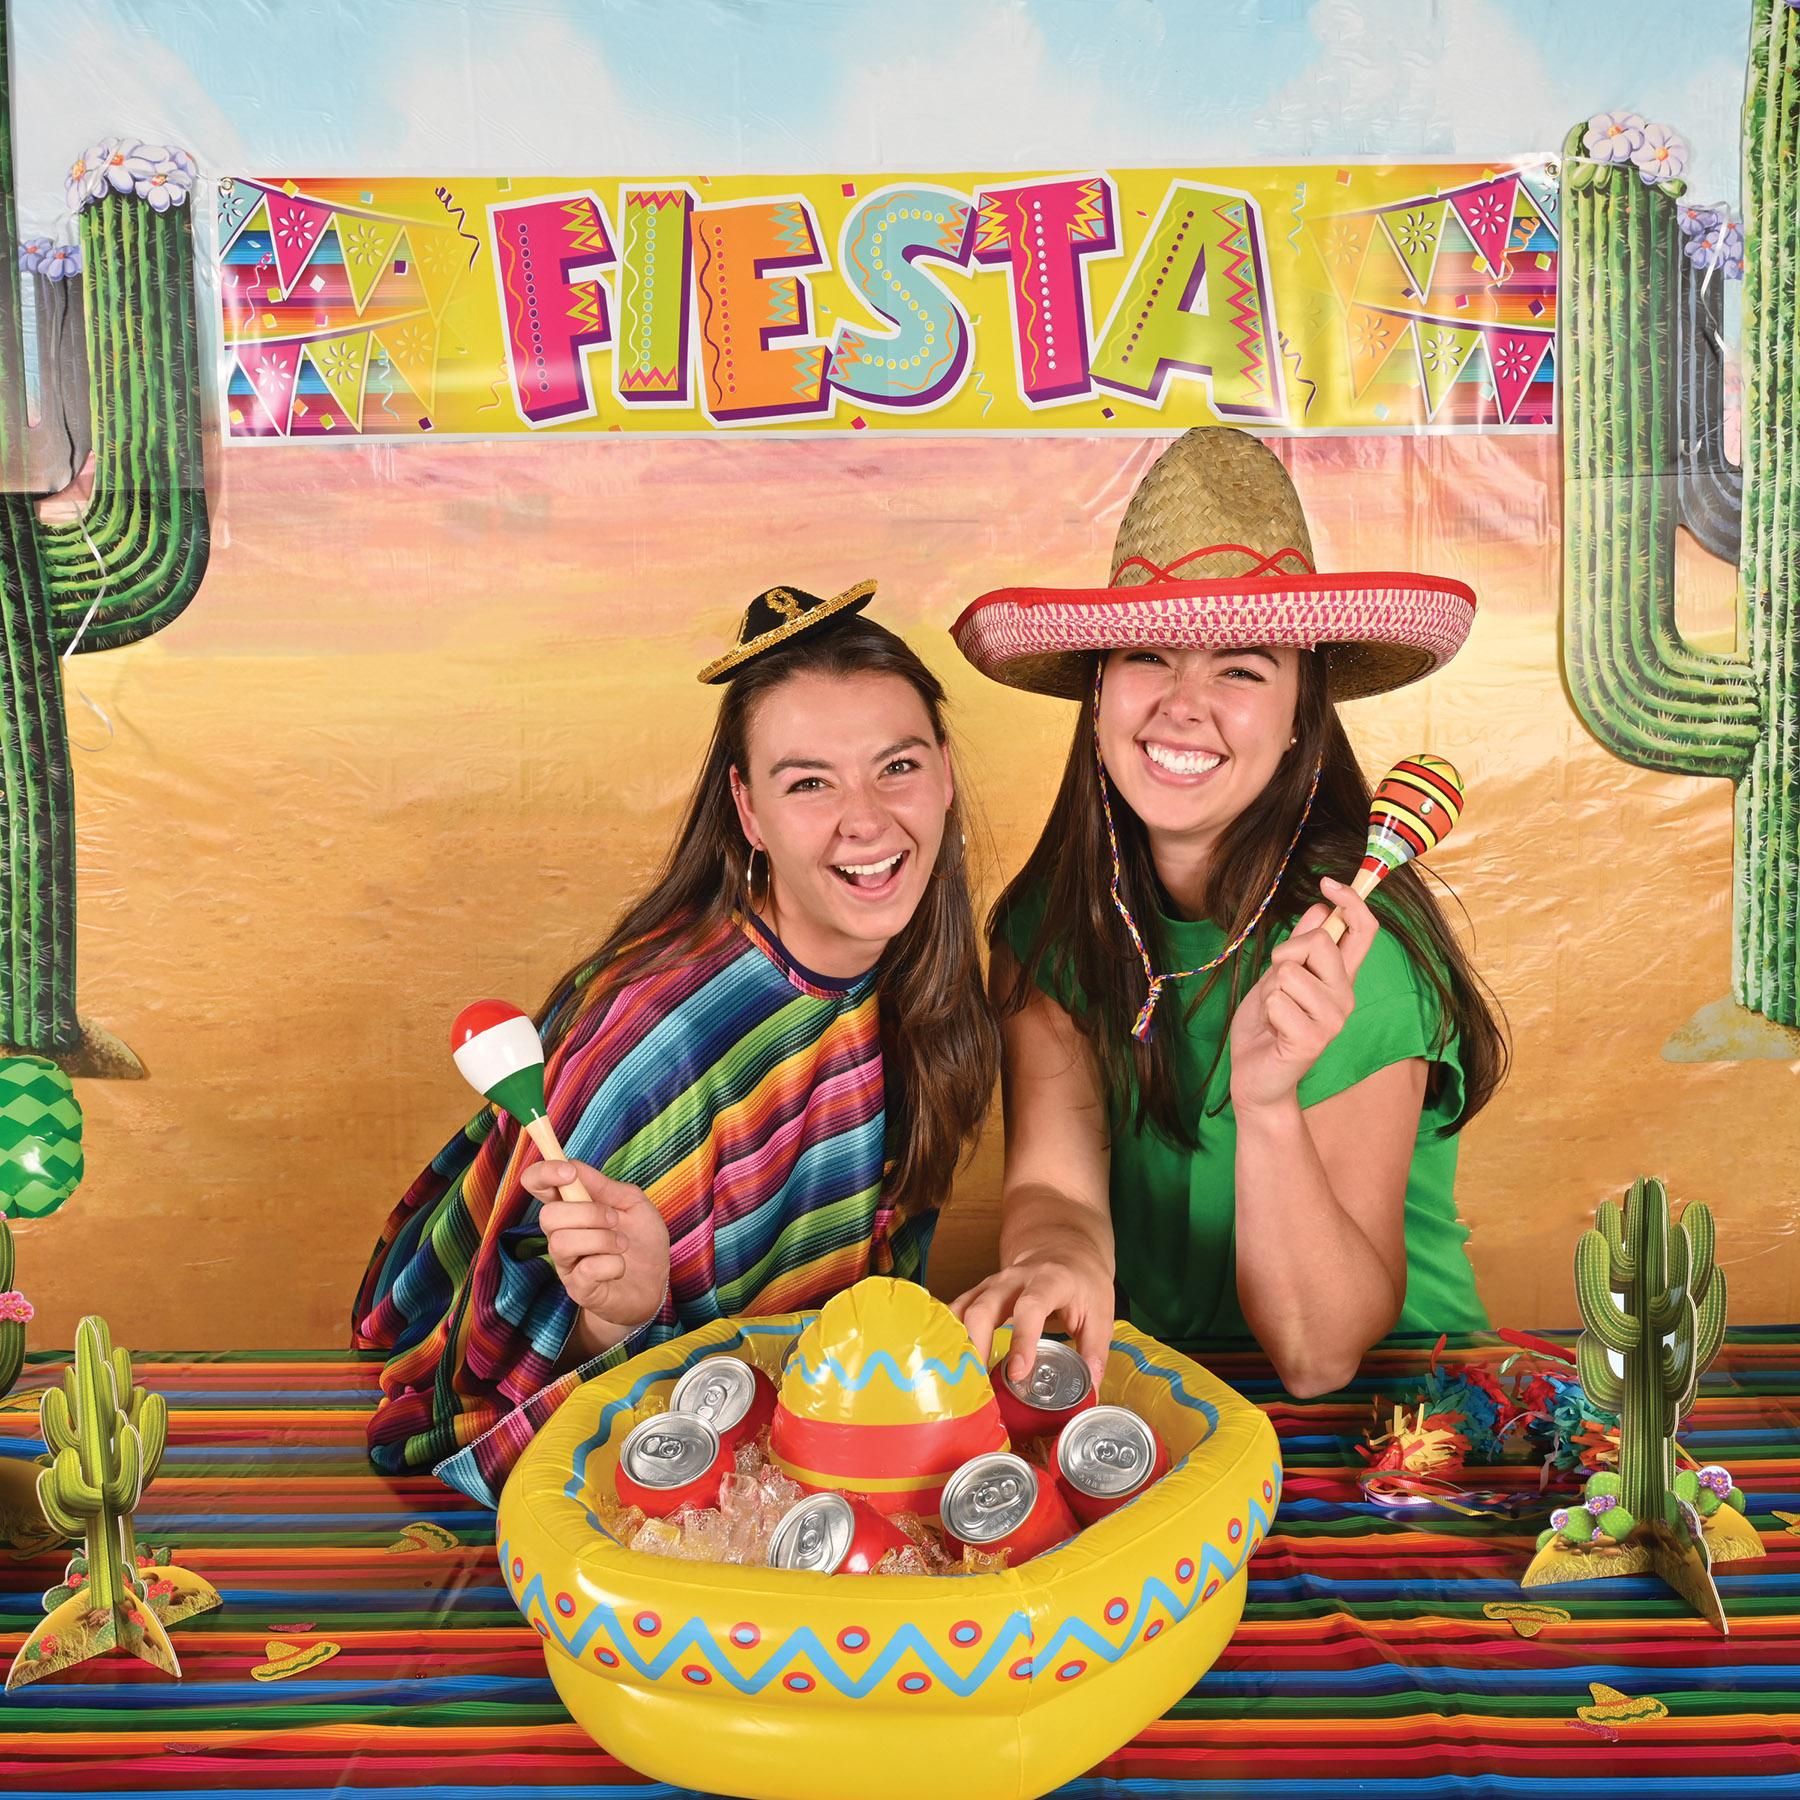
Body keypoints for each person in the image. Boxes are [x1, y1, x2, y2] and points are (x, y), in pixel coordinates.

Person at [354, 582, 998, 1503]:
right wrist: (614, 1316)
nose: (866, 819)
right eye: (809, 781)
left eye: (895, 767)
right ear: (747, 810)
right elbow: (481, 1388)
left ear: (942, 770)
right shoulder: (648, 1046)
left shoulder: (918, 973)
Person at [948, 429, 1507, 1400]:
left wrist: (1267, 1103)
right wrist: (1061, 1262)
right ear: (1098, 691)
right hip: (1168, 1390)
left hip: (1396, 1420)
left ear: (1303, 711)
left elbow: (1317, 1354)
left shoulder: (1358, 953)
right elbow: (1055, 1188)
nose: (1182, 705)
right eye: (1146, 655)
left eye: (1241, 668)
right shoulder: (1058, 919)